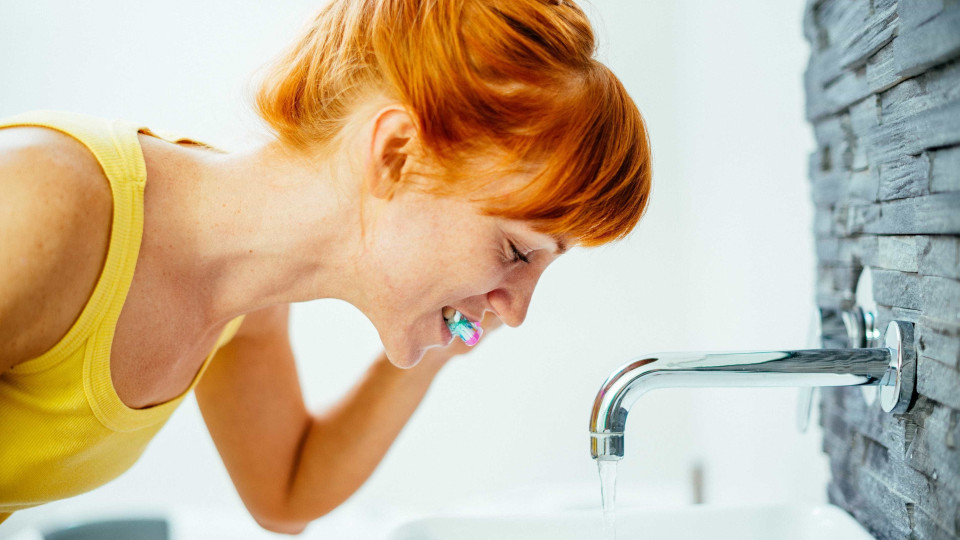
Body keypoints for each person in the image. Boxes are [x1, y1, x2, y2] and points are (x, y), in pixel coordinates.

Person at [0, 0, 650, 532]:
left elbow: (285, 492)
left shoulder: (245, 297)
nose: (518, 309)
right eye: (514, 252)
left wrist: (445, 339)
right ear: (396, 154)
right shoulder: (47, 207)